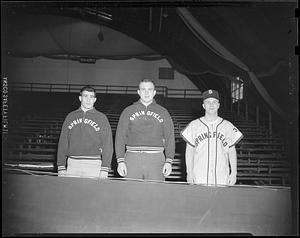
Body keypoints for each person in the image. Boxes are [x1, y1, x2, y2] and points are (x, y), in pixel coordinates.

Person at [115, 79, 175, 181]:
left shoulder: (163, 112)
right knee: (130, 194)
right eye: (143, 89)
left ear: (154, 92)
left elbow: (170, 138)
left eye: (150, 89)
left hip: (156, 159)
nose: (146, 92)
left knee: (155, 194)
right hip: (132, 158)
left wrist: (169, 161)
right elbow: (120, 137)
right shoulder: (128, 111)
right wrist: (120, 161)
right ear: (138, 92)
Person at [180, 89, 243, 186]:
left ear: (218, 105)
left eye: (214, 102)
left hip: (221, 177)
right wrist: (189, 173)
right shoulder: (194, 125)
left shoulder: (227, 125)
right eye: (208, 102)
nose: (211, 105)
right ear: (203, 106)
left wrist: (234, 173)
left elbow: (231, 151)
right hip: (200, 176)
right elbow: (189, 151)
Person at [57, 86, 113, 179]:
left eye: (91, 97)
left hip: (93, 165)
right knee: (71, 193)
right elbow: (63, 142)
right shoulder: (70, 116)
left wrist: (105, 168)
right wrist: (61, 166)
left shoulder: (102, 118)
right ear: (80, 98)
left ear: (95, 99)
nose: (88, 99)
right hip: (72, 164)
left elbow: (107, 144)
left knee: (91, 193)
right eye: (85, 96)